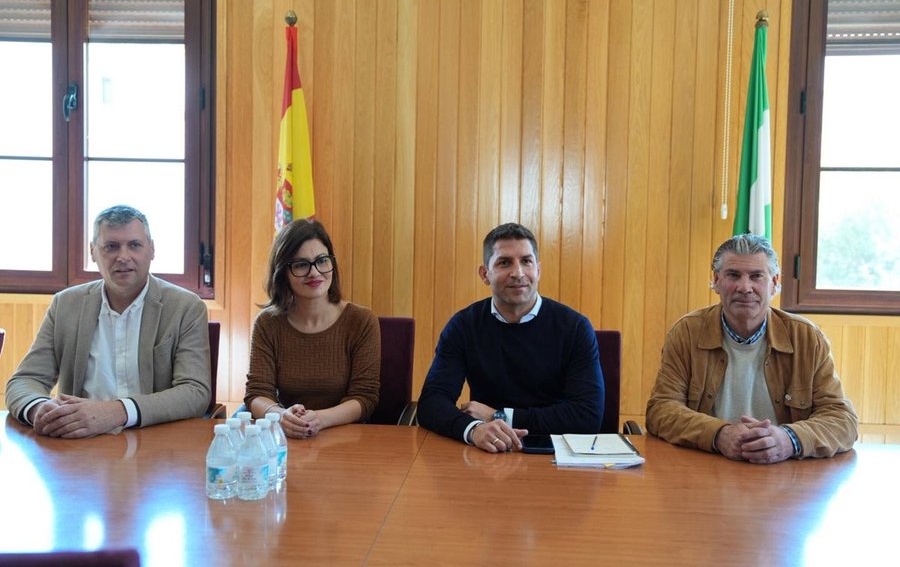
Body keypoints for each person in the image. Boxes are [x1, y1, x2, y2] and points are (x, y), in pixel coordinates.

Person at [645, 234, 858, 463]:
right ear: (716, 281)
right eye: (733, 275)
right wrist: (718, 434)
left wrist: (789, 439)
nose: (745, 287)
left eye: (756, 276)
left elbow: (842, 419)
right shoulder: (686, 333)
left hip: (786, 472)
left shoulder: (806, 338)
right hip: (707, 466)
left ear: (774, 283)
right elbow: (662, 409)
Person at [5, 205, 210, 438]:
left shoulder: (185, 307)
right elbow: (25, 380)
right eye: (111, 246)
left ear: (151, 249)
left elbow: (195, 391)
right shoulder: (66, 304)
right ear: (93, 252)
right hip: (78, 441)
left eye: (134, 245)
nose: (123, 257)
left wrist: (118, 411)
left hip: (154, 440)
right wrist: (39, 408)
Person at [417, 223, 604, 453]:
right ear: (485, 274)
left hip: (556, 455)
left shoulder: (575, 327)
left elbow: (587, 415)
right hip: (488, 452)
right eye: (504, 263)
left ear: (538, 270)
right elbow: (431, 403)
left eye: (526, 261)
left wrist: (500, 416)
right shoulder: (464, 326)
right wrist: (474, 430)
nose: (518, 273)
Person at [244, 219, 380, 439]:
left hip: (346, 439)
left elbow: (364, 397)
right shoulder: (267, 323)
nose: (315, 272)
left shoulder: (361, 321)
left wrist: (319, 419)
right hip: (287, 438)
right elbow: (257, 393)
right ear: (283, 272)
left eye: (322, 261)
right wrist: (281, 416)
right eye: (301, 265)